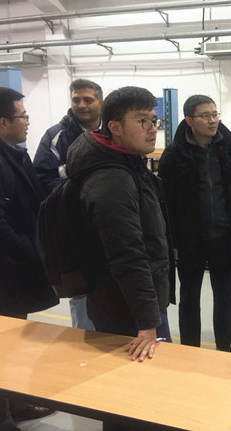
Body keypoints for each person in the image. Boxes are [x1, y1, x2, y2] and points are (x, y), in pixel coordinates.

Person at [0, 87, 58, 431]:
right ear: (3, 122)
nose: (27, 122)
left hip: (15, 276)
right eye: (23, 116)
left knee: (15, 345)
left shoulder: (14, 156)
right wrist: (34, 254)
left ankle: (17, 404)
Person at [66, 85, 174, 359]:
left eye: (154, 121)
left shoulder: (129, 164)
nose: (152, 129)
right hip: (126, 311)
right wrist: (147, 323)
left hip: (139, 303)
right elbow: (128, 255)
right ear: (115, 127)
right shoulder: (112, 181)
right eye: (142, 121)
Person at [158, 95, 231, 352]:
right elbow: (165, 201)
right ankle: (191, 352)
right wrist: (172, 240)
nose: (212, 120)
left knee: (225, 297)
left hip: (225, 236)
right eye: (205, 116)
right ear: (189, 120)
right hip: (190, 241)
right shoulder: (174, 154)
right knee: (190, 298)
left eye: (215, 114)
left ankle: (224, 349)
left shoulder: (230, 148)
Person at [34, 78, 103, 331]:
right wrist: (78, 197)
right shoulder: (56, 136)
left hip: (110, 222)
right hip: (76, 229)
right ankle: (83, 343)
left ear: (100, 101)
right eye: (76, 99)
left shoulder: (113, 132)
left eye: (88, 99)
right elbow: (43, 179)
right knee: (82, 294)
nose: (81, 105)